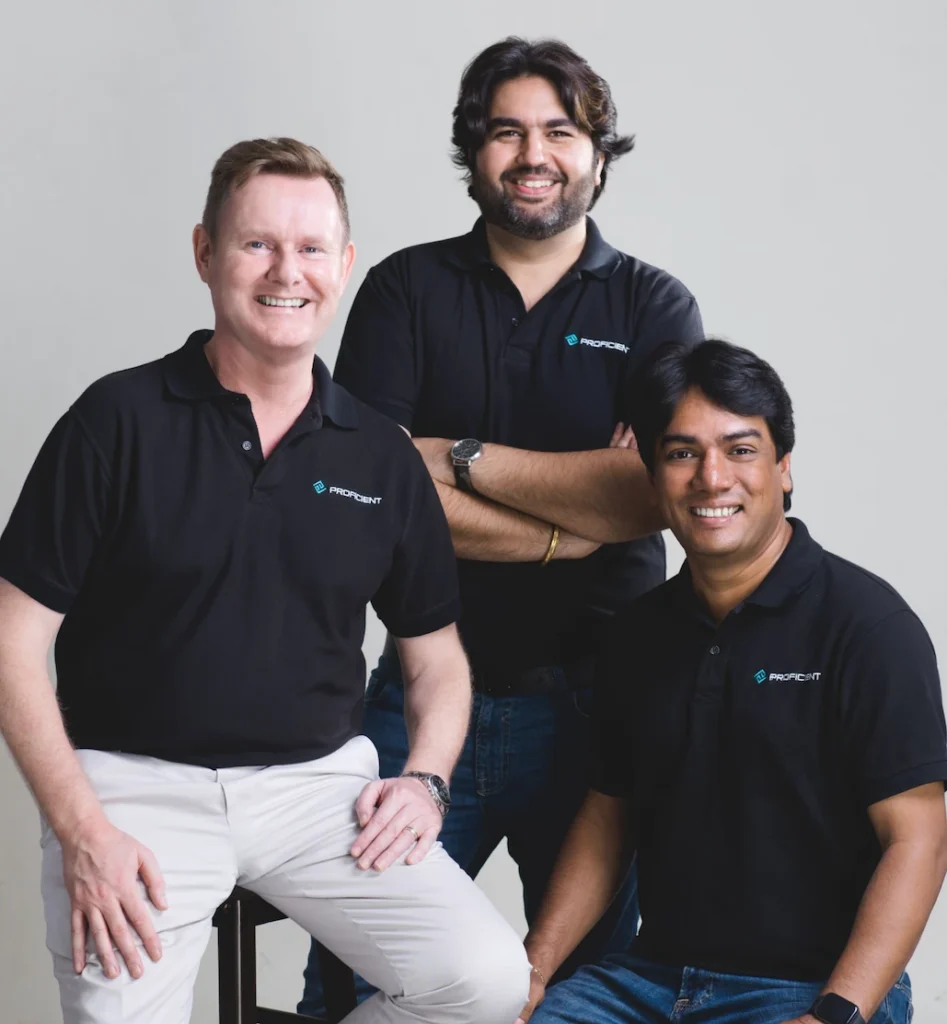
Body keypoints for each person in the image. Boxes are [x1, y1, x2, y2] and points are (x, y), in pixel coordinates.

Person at [0, 137, 530, 1024]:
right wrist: (82, 831)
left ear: (344, 265)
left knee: (482, 982)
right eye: (257, 244)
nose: (288, 271)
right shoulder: (115, 420)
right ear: (205, 252)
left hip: (315, 794)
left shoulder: (379, 455)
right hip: (133, 790)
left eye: (312, 248)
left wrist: (425, 778)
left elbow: (435, 657)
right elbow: (13, 643)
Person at [300, 35, 704, 1017]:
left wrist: (451, 454)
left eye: (559, 131)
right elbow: (364, 492)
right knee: (361, 986)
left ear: (598, 153)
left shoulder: (654, 306)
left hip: (594, 707)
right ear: (471, 150)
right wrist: (574, 516)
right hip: (418, 694)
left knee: (585, 993)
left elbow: (649, 493)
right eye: (505, 131)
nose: (533, 154)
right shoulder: (405, 289)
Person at [518, 338, 947, 1024]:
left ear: (783, 468)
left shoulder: (866, 626)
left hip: (810, 989)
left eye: (740, 450)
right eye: (682, 452)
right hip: (644, 982)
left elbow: (918, 839)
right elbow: (606, 817)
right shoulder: (635, 633)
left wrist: (835, 1013)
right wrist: (531, 973)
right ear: (654, 475)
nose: (711, 478)